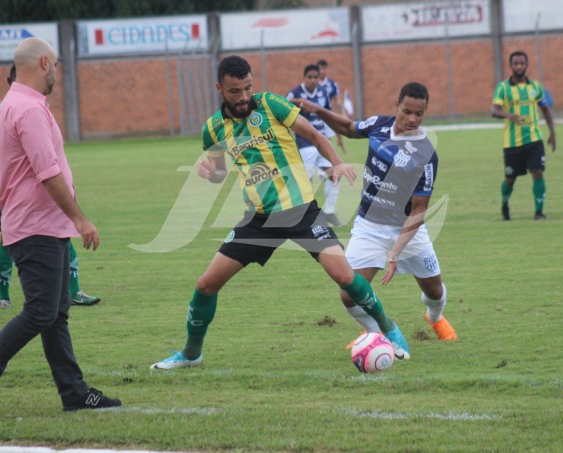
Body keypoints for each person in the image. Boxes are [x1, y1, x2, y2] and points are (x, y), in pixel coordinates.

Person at [150, 55, 410, 370]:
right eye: (235, 91)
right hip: (258, 221)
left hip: (302, 212)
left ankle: (389, 328)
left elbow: (315, 135)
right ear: (220, 88)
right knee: (206, 285)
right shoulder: (213, 129)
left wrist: (336, 162)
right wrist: (211, 173)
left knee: (344, 276)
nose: (244, 97)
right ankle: (191, 354)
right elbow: (219, 171)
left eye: (247, 88)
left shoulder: (271, 104)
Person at [0, 38, 120, 420]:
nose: (57, 75)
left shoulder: (13, 104)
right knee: (39, 312)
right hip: (36, 226)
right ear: (45, 63)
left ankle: (74, 393)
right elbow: (47, 172)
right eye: (56, 67)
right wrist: (79, 218)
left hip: (37, 224)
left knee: (55, 314)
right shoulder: (27, 109)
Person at [292, 82, 458, 341]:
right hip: (369, 226)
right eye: (407, 111)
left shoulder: (426, 154)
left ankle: (434, 318)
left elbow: (418, 210)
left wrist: (395, 252)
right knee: (349, 293)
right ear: (397, 106)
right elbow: (347, 128)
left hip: (407, 231)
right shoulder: (379, 126)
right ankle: (376, 334)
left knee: (435, 292)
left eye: (419, 113)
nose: (412, 119)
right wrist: (318, 110)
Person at [0, 64, 101, 309]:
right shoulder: (0, 110)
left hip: (48, 193)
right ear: (10, 80)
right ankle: (4, 295)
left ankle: (74, 291)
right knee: (7, 243)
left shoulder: (38, 106)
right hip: (17, 197)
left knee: (65, 235)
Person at [491, 50, 556, 221]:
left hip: (534, 139)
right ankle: (505, 205)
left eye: (522, 63)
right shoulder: (503, 88)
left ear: (526, 65)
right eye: (516, 63)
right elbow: (494, 111)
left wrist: (552, 132)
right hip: (512, 144)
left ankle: (539, 212)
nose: (519, 66)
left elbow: (545, 109)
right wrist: (509, 115)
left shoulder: (535, 87)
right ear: (511, 66)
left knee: (538, 173)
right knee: (510, 179)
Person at [286, 64, 343, 227]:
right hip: (305, 142)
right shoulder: (294, 94)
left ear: (319, 79)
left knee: (335, 175)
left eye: (315, 77)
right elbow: (283, 118)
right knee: (306, 180)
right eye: (309, 77)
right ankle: (300, 214)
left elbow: (326, 117)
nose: (312, 80)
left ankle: (329, 212)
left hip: (321, 140)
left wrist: (331, 139)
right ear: (304, 78)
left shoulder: (323, 93)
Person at [317, 59, 348, 152]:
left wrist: (343, 112)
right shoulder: (313, 83)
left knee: (327, 141)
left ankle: (326, 162)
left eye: (324, 69)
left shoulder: (332, 84)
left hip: (326, 114)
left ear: (327, 70)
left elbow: (337, 100)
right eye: (320, 69)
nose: (322, 71)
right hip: (314, 115)